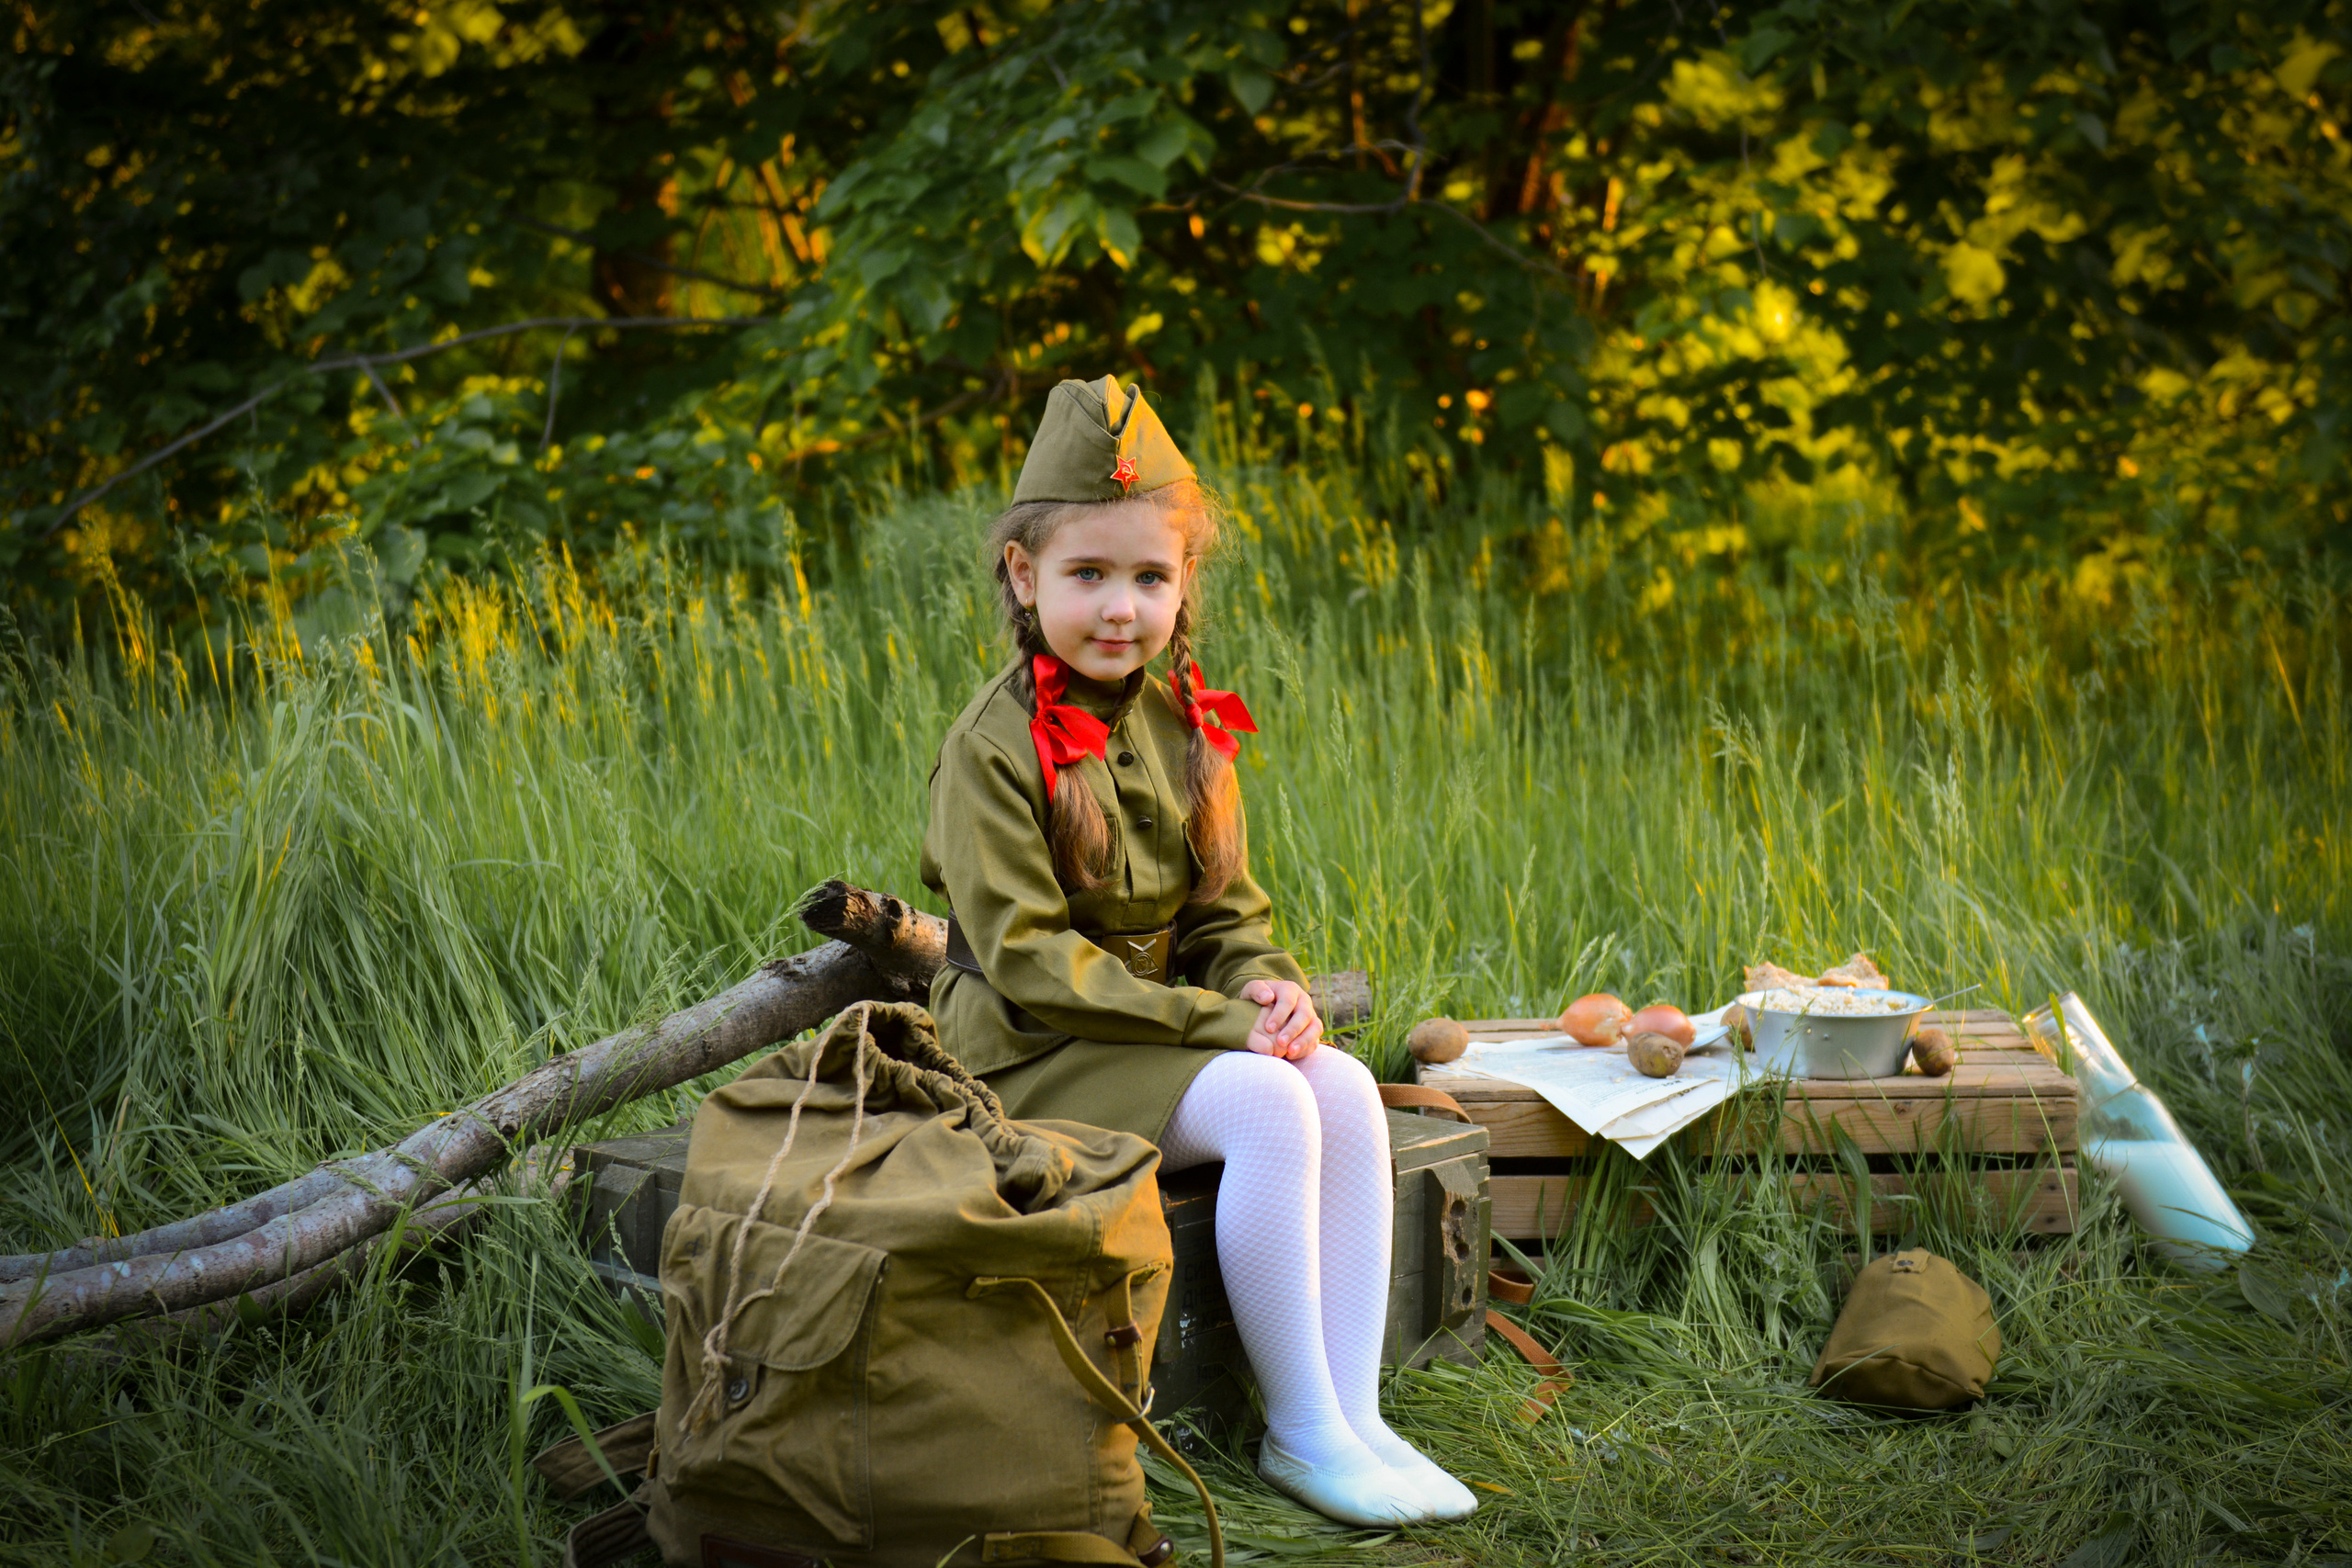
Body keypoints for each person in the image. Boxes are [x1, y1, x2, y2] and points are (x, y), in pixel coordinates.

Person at [919, 377, 1476, 1529]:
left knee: (1343, 1086)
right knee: (1270, 1108)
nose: (1119, 608)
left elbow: (1223, 912)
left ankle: (1358, 1414)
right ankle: (1301, 1432)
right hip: (1029, 1052)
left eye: (1148, 577)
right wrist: (1220, 1026)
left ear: (1183, 583)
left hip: (1144, 1035)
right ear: (1023, 577)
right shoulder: (990, 748)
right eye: (1087, 575)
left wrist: (1262, 986)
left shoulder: (1187, 722)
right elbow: (1025, 959)